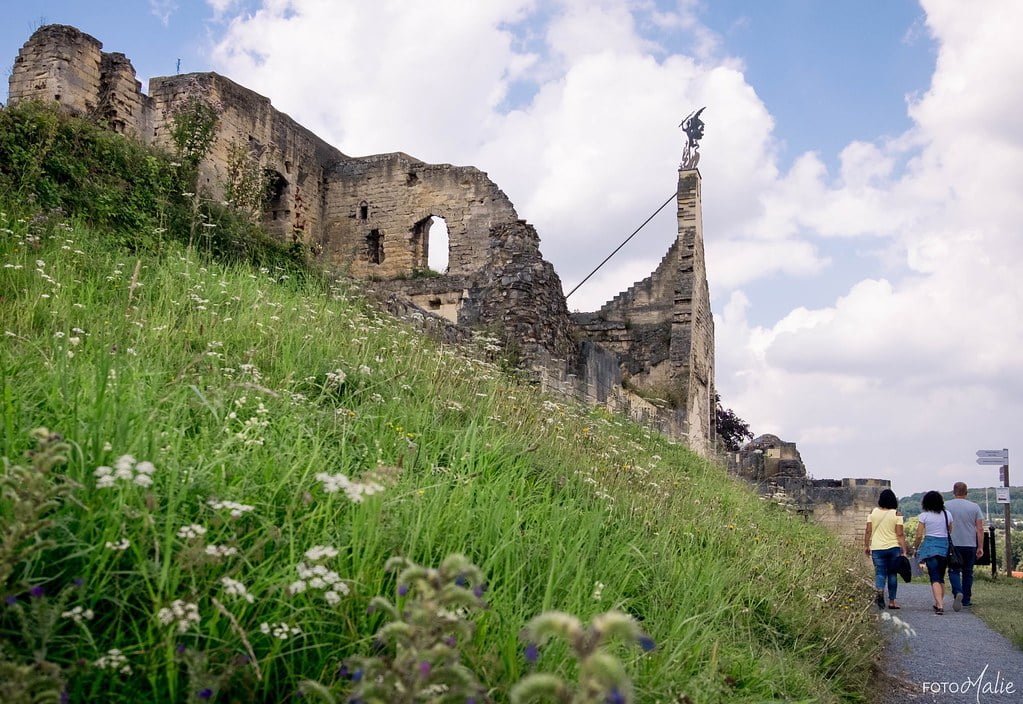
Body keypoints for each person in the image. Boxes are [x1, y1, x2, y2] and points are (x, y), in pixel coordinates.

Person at [863, 489, 908, 609]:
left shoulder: (873, 513)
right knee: (892, 574)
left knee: (880, 573)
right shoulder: (896, 514)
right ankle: (892, 602)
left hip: (877, 548)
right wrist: (904, 549)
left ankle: (880, 591)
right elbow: (900, 534)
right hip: (893, 548)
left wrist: (866, 545)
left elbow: (868, 531)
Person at [945, 482, 985, 610]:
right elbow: (979, 529)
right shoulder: (975, 507)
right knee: (968, 572)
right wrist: (980, 547)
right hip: (970, 544)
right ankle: (966, 599)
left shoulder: (946, 506)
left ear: (953, 492)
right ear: (966, 493)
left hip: (953, 545)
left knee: (953, 570)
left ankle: (958, 592)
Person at [913, 490, 953, 614]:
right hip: (944, 547)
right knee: (940, 577)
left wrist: (916, 546)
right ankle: (938, 602)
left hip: (930, 547)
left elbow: (919, 535)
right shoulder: (947, 514)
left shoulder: (924, 516)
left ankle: (939, 605)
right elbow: (950, 530)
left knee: (934, 577)